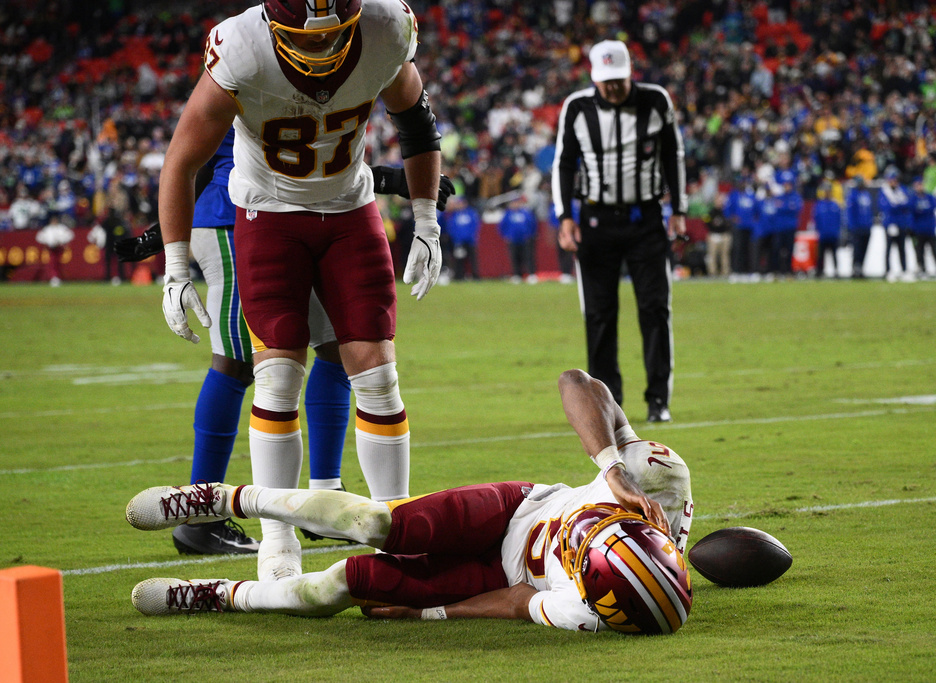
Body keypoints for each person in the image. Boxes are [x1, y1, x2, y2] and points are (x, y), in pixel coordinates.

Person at [156, 0, 443, 581]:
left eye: (330, 35)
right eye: (301, 37)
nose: (316, 48)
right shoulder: (240, 45)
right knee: (276, 374)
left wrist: (427, 219)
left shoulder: (387, 27)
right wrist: (176, 264)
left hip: (349, 211)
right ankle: (277, 542)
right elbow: (182, 160)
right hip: (269, 214)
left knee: (379, 375)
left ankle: (396, 536)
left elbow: (415, 123)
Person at [126, 369, 694, 634]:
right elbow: (578, 383)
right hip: (517, 509)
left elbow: (520, 600)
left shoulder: (595, 610)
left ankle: (219, 596)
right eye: (588, 535)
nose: (574, 547)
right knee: (379, 523)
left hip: (496, 571)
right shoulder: (660, 489)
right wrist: (613, 468)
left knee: (348, 584)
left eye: (576, 560)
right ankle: (224, 497)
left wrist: (428, 610)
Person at [117, 137, 452, 554]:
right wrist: (167, 238)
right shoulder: (240, 73)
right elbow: (195, 156)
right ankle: (201, 517)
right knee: (240, 363)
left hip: (312, 217)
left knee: (335, 348)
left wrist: (385, 178)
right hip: (235, 216)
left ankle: (326, 494)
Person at [552, 40, 687, 423]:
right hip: (595, 221)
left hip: (645, 219)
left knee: (655, 308)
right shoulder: (577, 107)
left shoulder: (656, 101)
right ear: (595, 78)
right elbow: (564, 163)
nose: (611, 88)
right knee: (599, 314)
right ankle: (609, 404)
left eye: (618, 80)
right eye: (605, 81)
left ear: (630, 74)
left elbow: (673, 156)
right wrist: (565, 216)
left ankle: (658, 399)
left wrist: (678, 209)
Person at [877, 168, 912, 282]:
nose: (893, 182)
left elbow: (908, 204)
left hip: (901, 223)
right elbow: (887, 207)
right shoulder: (884, 191)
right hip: (890, 224)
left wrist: (897, 206)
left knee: (902, 249)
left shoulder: (902, 190)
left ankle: (904, 270)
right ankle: (888, 271)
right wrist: (899, 206)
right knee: (888, 249)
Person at [499, 194, 538, 283]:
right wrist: (506, 235)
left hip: (525, 239)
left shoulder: (526, 213)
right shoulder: (507, 214)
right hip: (513, 239)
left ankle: (531, 274)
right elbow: (502, 226)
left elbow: (532, 224)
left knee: (528, 257)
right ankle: (517, 275)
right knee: (514, 258)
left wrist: (531, 235)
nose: (515, 204)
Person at [440, 194, 481, 280]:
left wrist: (471, 236)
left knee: (472, 259)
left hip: (470, 241)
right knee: (459, 259)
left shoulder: (471, 213)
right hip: (459, 242)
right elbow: (451, 227)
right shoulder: (454, 215)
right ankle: (459, 276)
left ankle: (475, 276)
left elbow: (475, 226)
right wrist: (456, 239)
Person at [845, 176, 875, 279]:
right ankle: (855, 269)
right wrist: (852, 227)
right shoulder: (852, 195)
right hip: (857, 228)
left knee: (864, 249)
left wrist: (870, 225)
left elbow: (870, 212)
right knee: (857, 250)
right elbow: (850, 213)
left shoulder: (867, 195)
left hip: (866, 227)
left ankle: (861, 268)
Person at [812, 182, 842, 278]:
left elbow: (839, 219)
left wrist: (837, 231)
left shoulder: (835, 204)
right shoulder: (819, 205)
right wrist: (818, 231)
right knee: (821, 255)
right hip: (823, 234)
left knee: (834, 254)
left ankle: (836, 271)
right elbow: (815, 219)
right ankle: (819, 271)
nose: (827, 193)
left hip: (833, 234)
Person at [909, 178, 935, 278]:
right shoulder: (913, 198)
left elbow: (931, 208)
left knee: (934, 250)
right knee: (919, 251)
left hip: (929, 229)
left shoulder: (929, 197)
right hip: (918, 230)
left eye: (921, 184)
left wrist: (920, 209)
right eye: (918, 185)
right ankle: (922, 269)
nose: (920, 187)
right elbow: (912, 210)